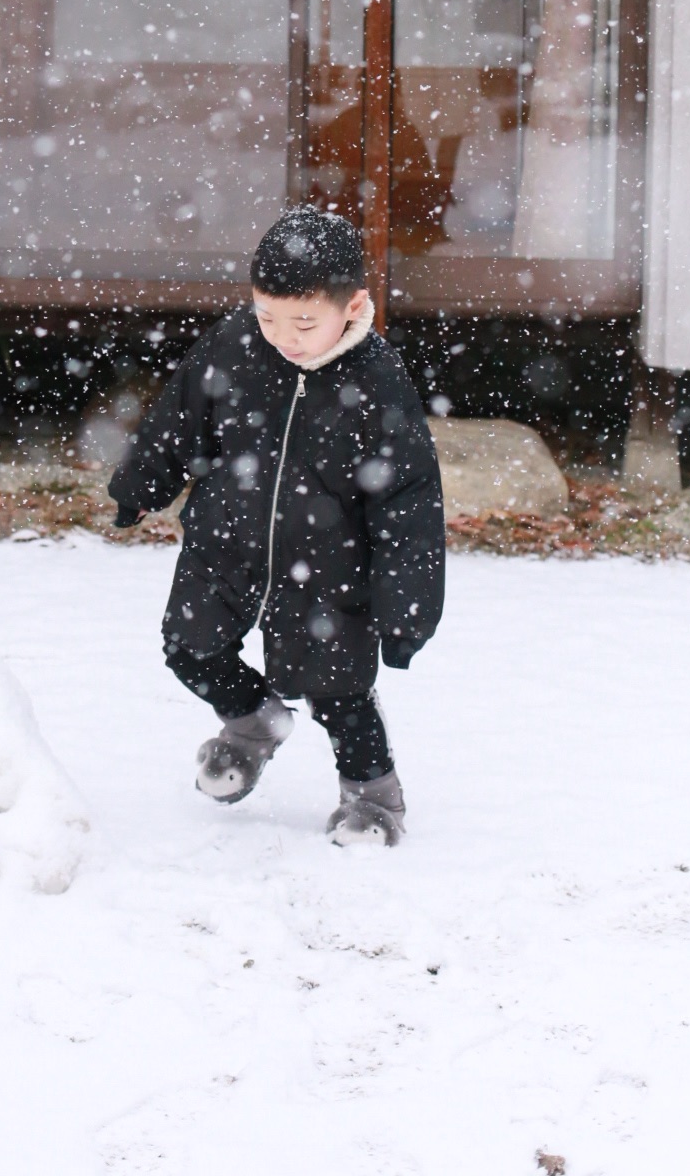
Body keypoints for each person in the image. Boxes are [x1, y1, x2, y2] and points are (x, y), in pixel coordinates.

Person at [109, 206, 445, 846]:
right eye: (267, 316)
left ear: (352, 307)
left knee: (339, 691)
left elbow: (408, 504)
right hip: (223, 544)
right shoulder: (234, 345)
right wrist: (140, 486)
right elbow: (179, 420)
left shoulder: (376, 381)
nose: (283, 335)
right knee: (188, 646)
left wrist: (406, 610)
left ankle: (374, 798)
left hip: (329, 569)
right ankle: (252, 724)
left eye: (304, 321)